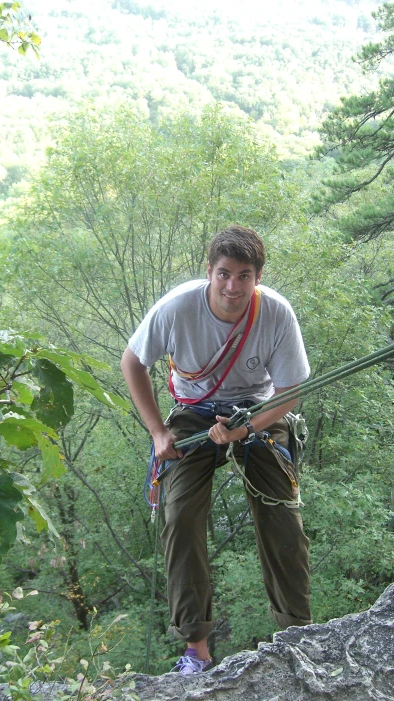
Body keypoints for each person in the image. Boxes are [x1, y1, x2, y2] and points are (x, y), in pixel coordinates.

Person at [121, 225, 311, 675]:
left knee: (281, 515)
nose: (232, 286)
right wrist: (157, 433)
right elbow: (133, 362)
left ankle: (297, 634)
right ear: (209, 271)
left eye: (244, 276)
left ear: (257, 278)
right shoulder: (177, 308)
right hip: (194, 413)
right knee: (180, 515)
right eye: (224, 273)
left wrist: (245, 431)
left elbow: (289, 394)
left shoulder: (276, 314)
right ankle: (197, 650)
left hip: (257, 413)